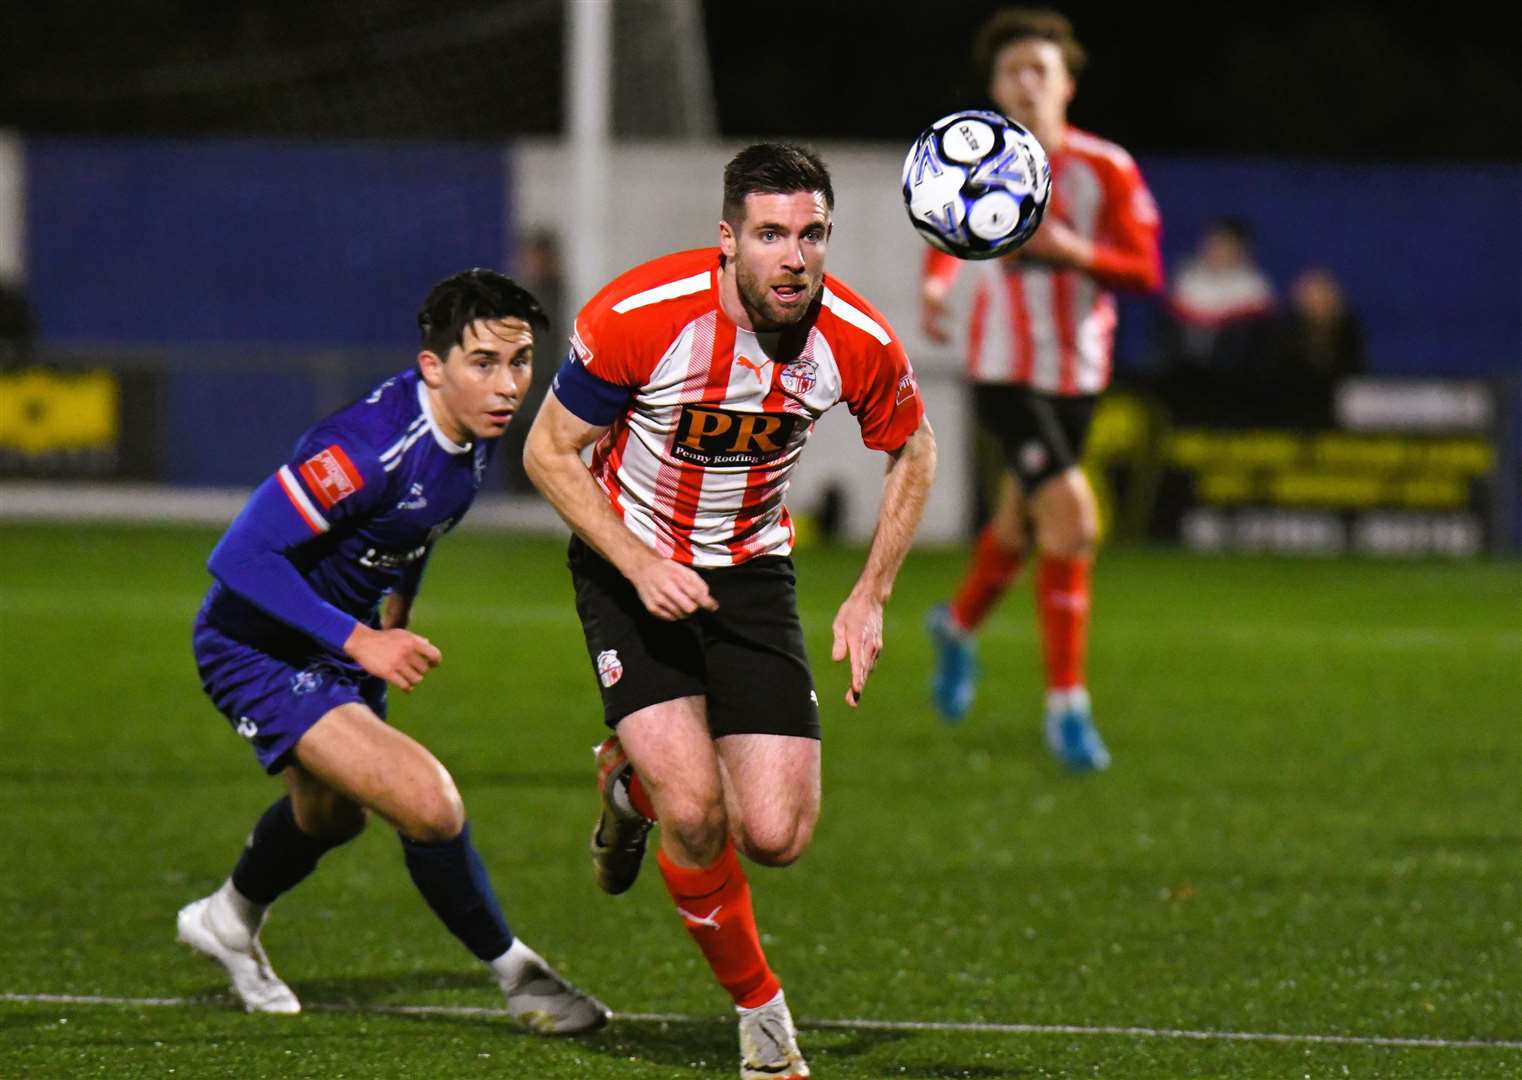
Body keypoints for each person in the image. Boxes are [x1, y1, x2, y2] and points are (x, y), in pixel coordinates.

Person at [524, 142, 936, 1080]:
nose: (794, 257)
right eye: (770, 235)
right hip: (629, 567)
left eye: (812, 234)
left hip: (752, 574)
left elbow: (914, 451)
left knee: (779, 835)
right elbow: (549, 453)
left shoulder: (856, 341)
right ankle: (762, 1021)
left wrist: (871, 593)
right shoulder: (639, 316)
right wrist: (636, 560)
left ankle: (625, 785)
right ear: (727, 240)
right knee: (699, 816)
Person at [177, 269, 608, 1033]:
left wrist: (396, 610)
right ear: (432, 368)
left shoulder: (475, 437)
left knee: (332, 818)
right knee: (428, 803)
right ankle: (522, 978)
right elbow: (239, 559)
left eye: (520, 362)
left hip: (338, 640)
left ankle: (228, 920)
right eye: (484, 364)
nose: (508, 385)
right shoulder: (368, 449)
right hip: (257, 645)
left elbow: (414, 531)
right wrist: (363, 639)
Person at [921, 8, 1163, 770]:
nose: (1025, 82)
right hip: (1003, 370)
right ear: (993, 88)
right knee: (1076, 522)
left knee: (1022, 528)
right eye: (1011, 71)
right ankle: (1068, 709)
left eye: (1040, 69)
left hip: (1078, 373)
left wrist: (1073, 250)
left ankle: (956, 627)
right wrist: (935, 288)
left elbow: (1146, 270)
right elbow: (946, 240)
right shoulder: (973, 162)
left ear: (1066, 84)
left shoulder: (1107, 169)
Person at [1160, 216, 1276, 376]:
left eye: (1226, 245)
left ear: (1241, 250)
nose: (1218, 250)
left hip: (1234, 373)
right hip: (1182, 367)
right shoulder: (1186, 277)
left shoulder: (1254, 287)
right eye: (1214, 243)